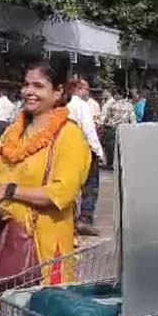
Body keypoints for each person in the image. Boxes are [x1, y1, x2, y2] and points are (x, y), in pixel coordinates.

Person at [0, 61, 91, 283]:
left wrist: (9, 190)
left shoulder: (69, 135)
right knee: (2, 311)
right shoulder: (13, 131)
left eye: (38, 86)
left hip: (45, 250)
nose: (29, 92)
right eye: (26, 85)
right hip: (4, 242)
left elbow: (61, 192)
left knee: (40, 312)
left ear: (58, 92)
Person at [66, 79, 104, 236]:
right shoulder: (82, 106)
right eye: (86, 89)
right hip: (85, 150)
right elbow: (89, 130)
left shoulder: (65, 105)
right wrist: (99, 152)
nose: (87, 92)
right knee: (90, 185)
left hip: (67, 150)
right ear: (78, 89)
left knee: (71, 184)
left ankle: (70, 218)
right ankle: (85, 219)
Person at [98, 90, 136, 167]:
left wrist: (102, 124)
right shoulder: (130, 106)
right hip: (125, 129)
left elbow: (106, 118)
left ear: (118, 95)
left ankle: (111, 163)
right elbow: (133, 120)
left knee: (111, 146)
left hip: (113, 129)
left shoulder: (112, 105)